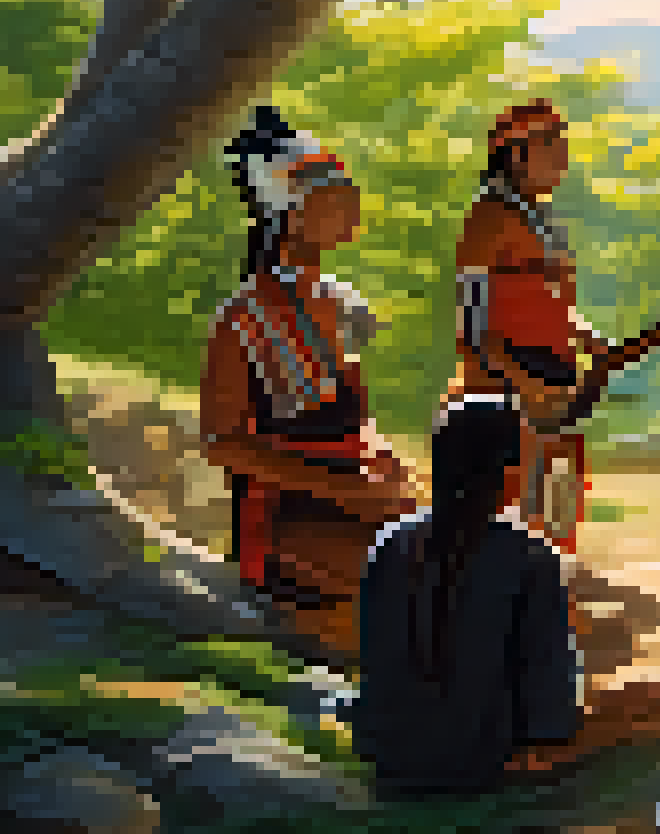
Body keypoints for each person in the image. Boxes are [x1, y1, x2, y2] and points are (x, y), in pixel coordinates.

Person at [204, 107, 418, 655]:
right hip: (286, 516)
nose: (352, 207)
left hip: (357, 498)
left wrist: (380, 454)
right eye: (334, 199)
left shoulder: (340, 305)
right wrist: (339, 488)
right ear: (289, 214)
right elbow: (223, 443)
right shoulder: (244, 318)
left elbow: (349, 416)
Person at [354, 399, 580, 799]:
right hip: (483, 767)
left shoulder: (390, 544)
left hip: (391, 758)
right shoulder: (532, 558)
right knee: (649, 708)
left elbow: (378, 663)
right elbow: (550, 709)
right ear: (508, 475)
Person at [450, 98, 608, 554]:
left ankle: (553, 571)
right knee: (517, 503)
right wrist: (518, 381)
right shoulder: (488, 218)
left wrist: (585, 336)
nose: (562, 154)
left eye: (562, 142)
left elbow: (553, 301)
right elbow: (471, 321)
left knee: (560, 500)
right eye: (549, 143)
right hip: (505, 387)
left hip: (555, 380)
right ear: (515, 154)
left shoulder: (544, 217)